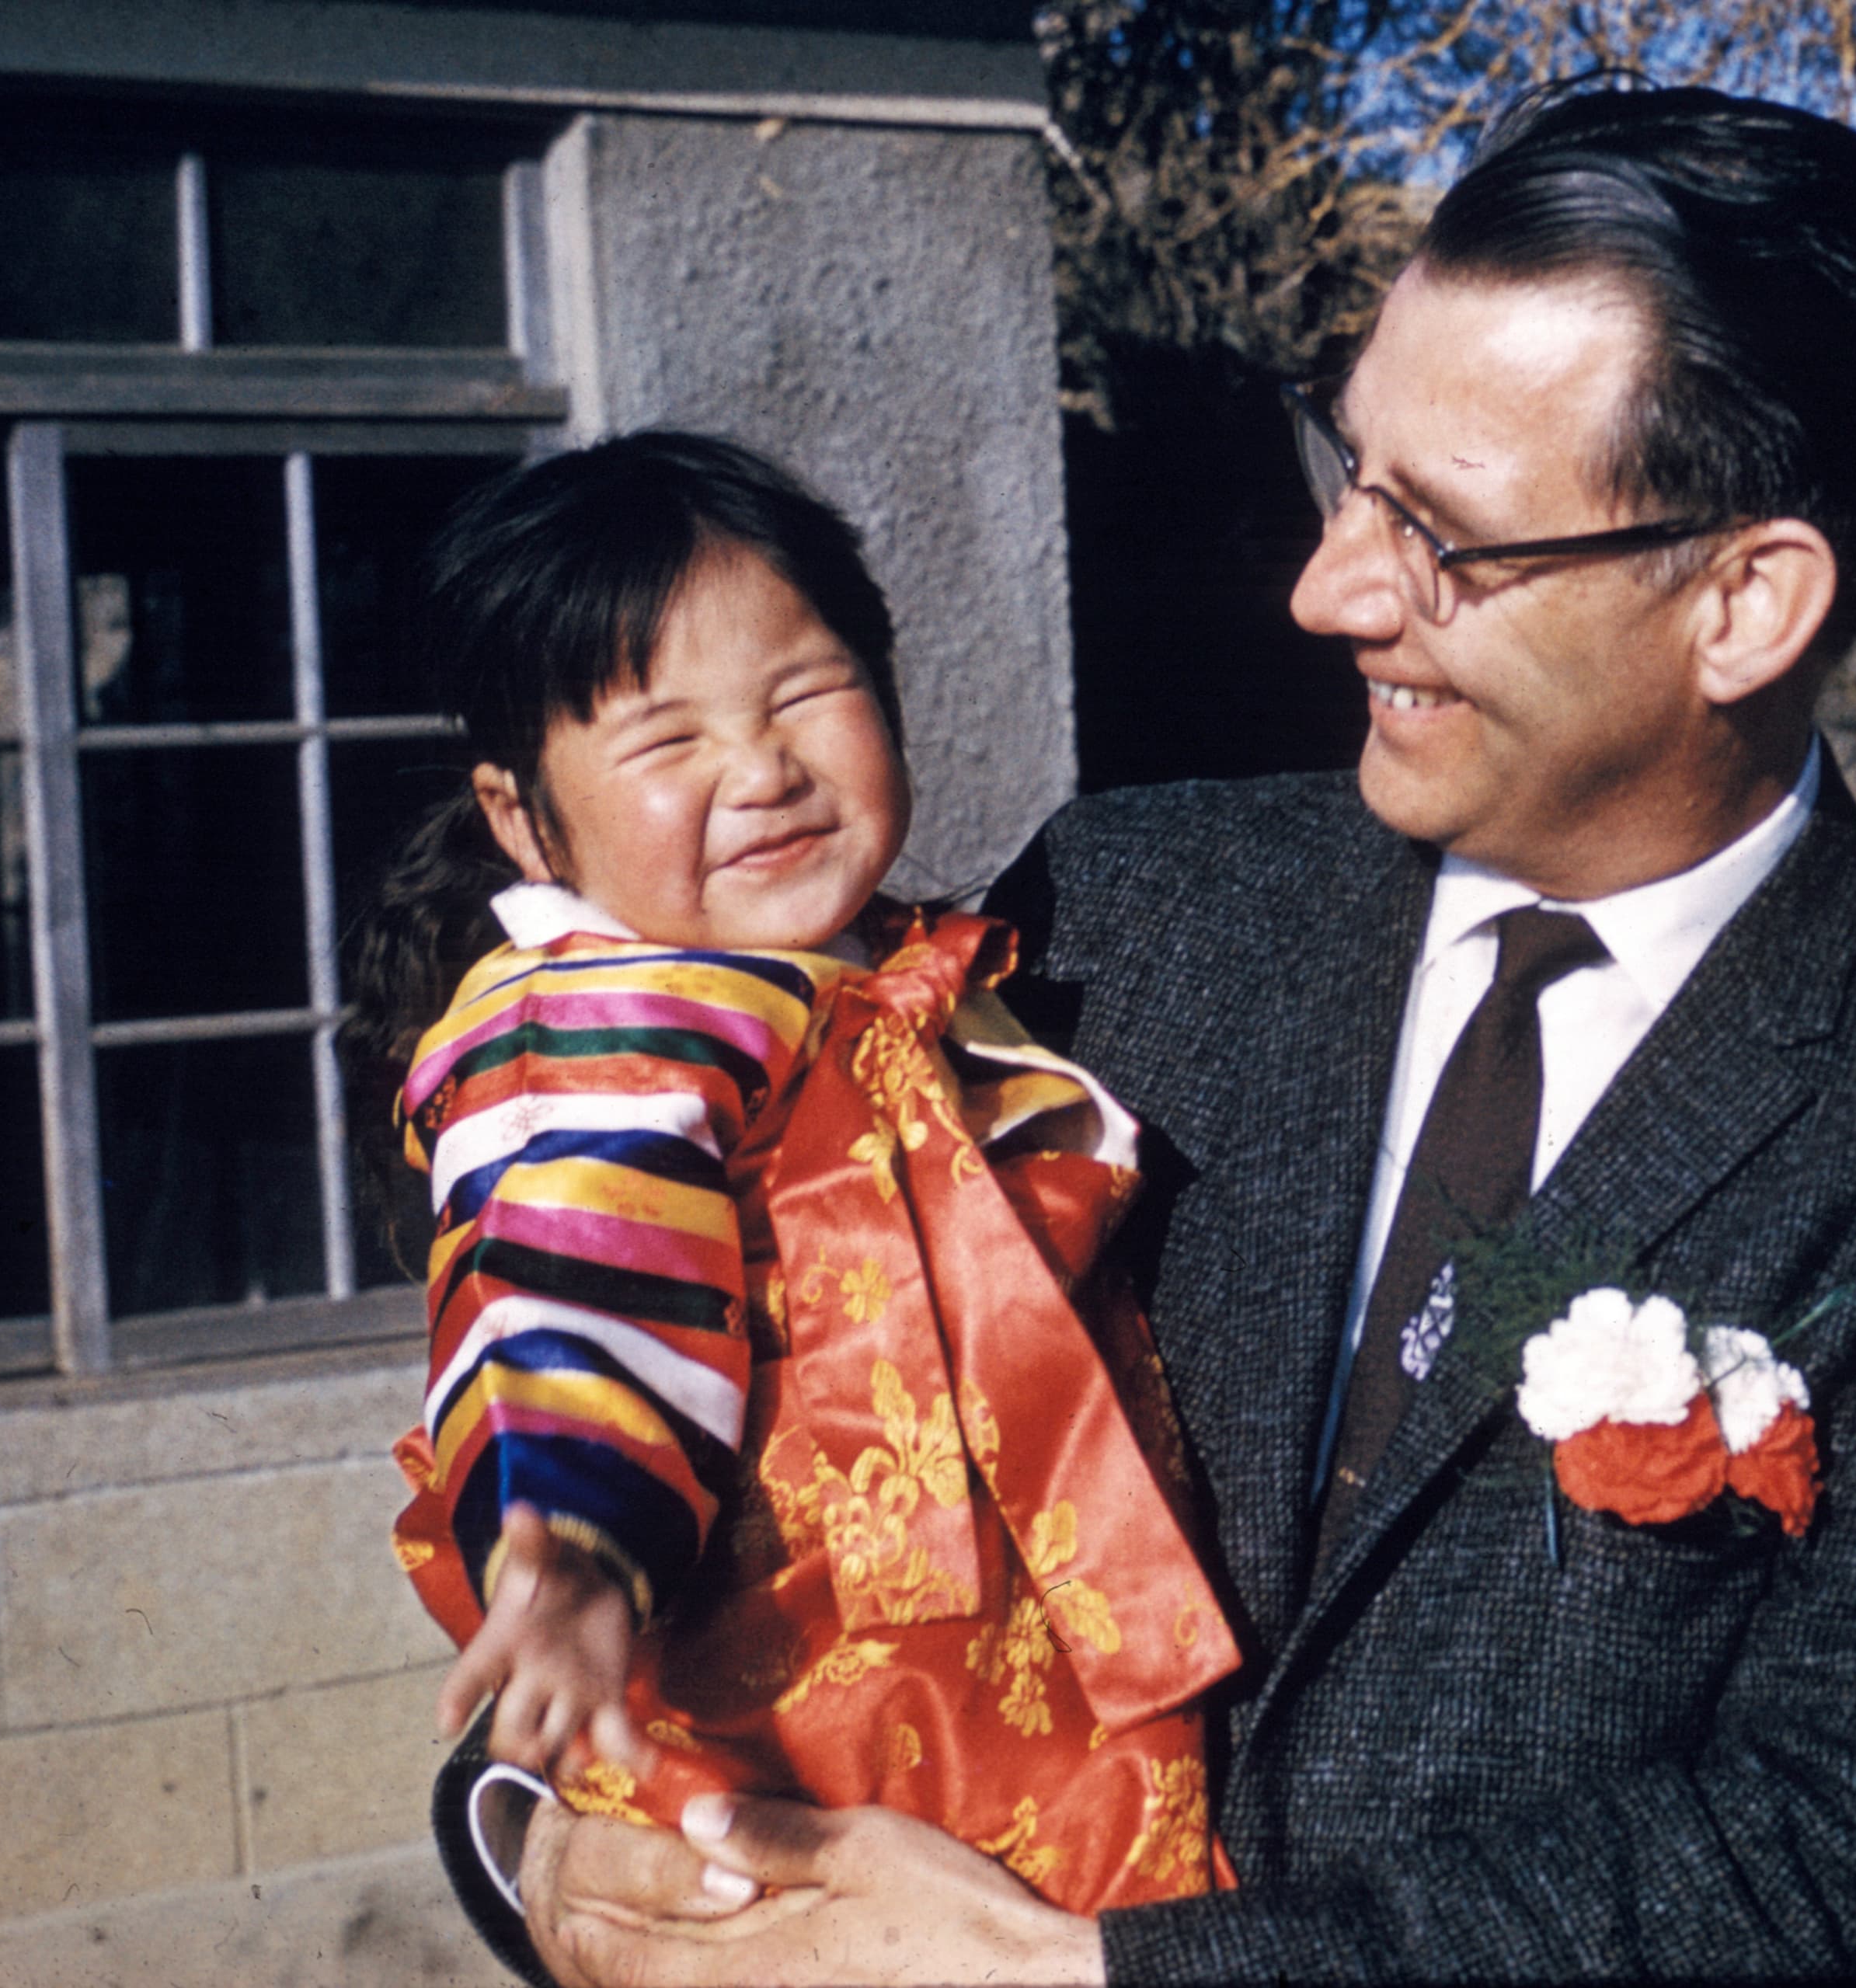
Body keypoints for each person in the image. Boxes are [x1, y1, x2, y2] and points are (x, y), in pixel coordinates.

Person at [457, 82, 1856, 1984]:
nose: (1328, 589)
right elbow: (677, 1349)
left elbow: (1855, 1869)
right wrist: (547, 1846)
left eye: (1446, 540)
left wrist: (1083, 1979)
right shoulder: (1119, 911)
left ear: (1745, 599)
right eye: (1350, 474)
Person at [352, 433, 1238, 1979]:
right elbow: (572, 1284)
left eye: (801, 693)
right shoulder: (597, 1030)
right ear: (520, 814)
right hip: (793, 1725)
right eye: (664, 738)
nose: (758, 771)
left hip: (1004, 1708)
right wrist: (569, 1546)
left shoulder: (915, 973)